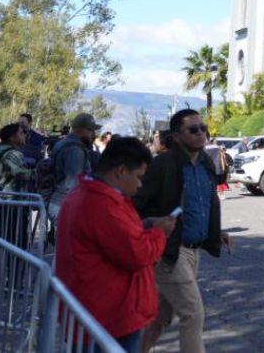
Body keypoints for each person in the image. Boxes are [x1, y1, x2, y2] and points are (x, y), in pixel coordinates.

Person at [57, 137, 175, 353]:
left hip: (99, 314)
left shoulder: (90, 194)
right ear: (121, 171)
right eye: (138, 177)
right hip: (108, 318)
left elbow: (116, 238)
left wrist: (143, 226)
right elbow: (137, 253)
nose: (140, 185)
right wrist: (160, 233)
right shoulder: (102, 203)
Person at [135, 108, 232, 353]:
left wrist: (216, 232)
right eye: (193, 129)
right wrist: (152, 224)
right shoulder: (162, 165)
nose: (201, 133)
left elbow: (205, 203)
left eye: (203, 128)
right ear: (177, 136)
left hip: (193, 252)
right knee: (193, 313)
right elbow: (135, 204)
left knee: (160, 317)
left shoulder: (205, 163)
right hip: (169, 251)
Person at [50, 114, 101, 222]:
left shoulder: (64, 143)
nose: (93, 134)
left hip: (60, 203)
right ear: (81, 130)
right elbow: (72, 183)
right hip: (65, 205)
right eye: (91, 130)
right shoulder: (75, 150)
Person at [0, 123, 35, 192]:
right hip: (10, 195)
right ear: (12, 138)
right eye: (21, 133)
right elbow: (19, 173)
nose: (24, 135)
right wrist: (37, 172)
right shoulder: (14, 153)